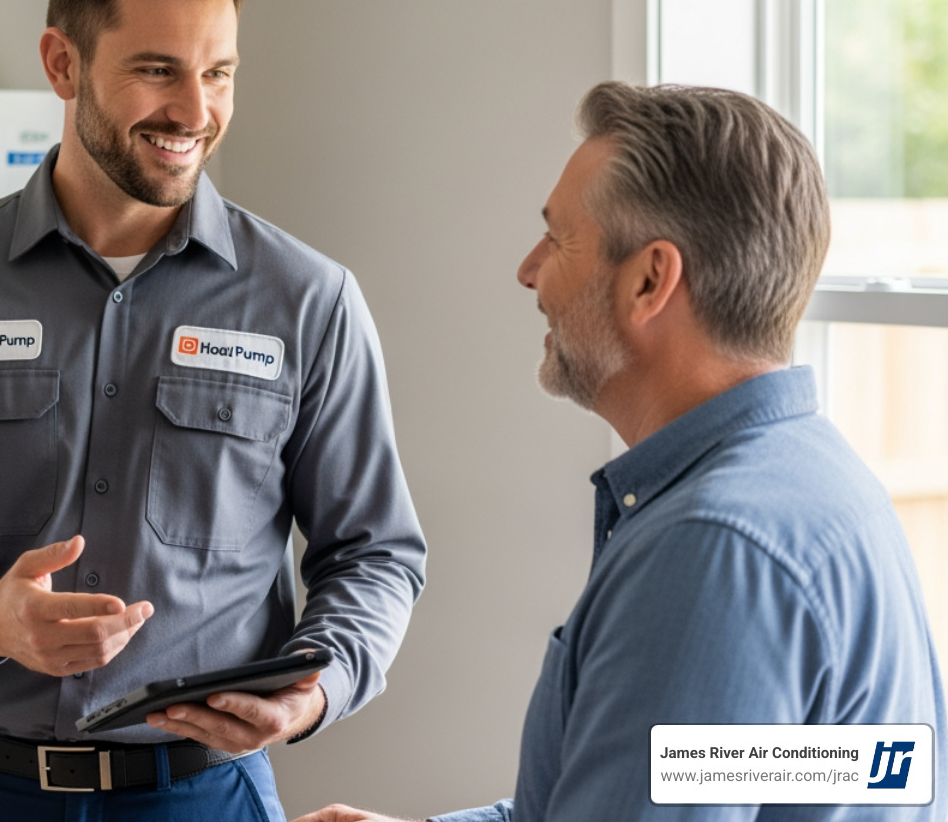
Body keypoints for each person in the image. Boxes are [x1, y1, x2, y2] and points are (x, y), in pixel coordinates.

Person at [0, 0, 427, 821]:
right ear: (63, 63)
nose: (196, 112)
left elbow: (376, 553)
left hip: (203, 796)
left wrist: (315, 689)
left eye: (219, 73)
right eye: (156, 70)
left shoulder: (308, 300)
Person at [296, 83, 947, 822]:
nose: (529, 269)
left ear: (649, 280)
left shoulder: (712, 551)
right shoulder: (817, 482)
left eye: (558, 239)